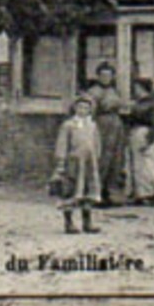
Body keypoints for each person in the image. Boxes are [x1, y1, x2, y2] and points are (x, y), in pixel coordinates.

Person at [50, 93, 103, 234]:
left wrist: (96, 158)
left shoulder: (92, 125)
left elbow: (96, 143)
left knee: (88, 191)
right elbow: (62, 144)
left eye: (86, 108)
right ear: (74, 108)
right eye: (80, 107)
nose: (82, 110)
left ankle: (88, 222)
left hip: (89, 164)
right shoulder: (69, 125)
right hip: (73, 162)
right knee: (70, 190)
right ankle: (69, 223)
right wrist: (61, 161)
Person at [86, 62, 127, 207]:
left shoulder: (115, 91)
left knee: (115, 160)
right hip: (101, 124)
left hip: (115, 125)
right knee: (101, 158)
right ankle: (97, 193)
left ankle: (111, 192)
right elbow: (89, 110)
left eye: (109, 75)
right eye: (103, 75)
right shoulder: (93, 92)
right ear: (98, 76)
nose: (106, 78)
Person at [124, 76, 154, 206]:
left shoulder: (151, 104)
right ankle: (140, 193)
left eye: (137, 88)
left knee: (147, 164)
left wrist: (149, 139)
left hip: (145, 133)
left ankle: (150, 193)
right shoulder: (139, 103)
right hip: (136, 132)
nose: (135, 90)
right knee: (137, 164)